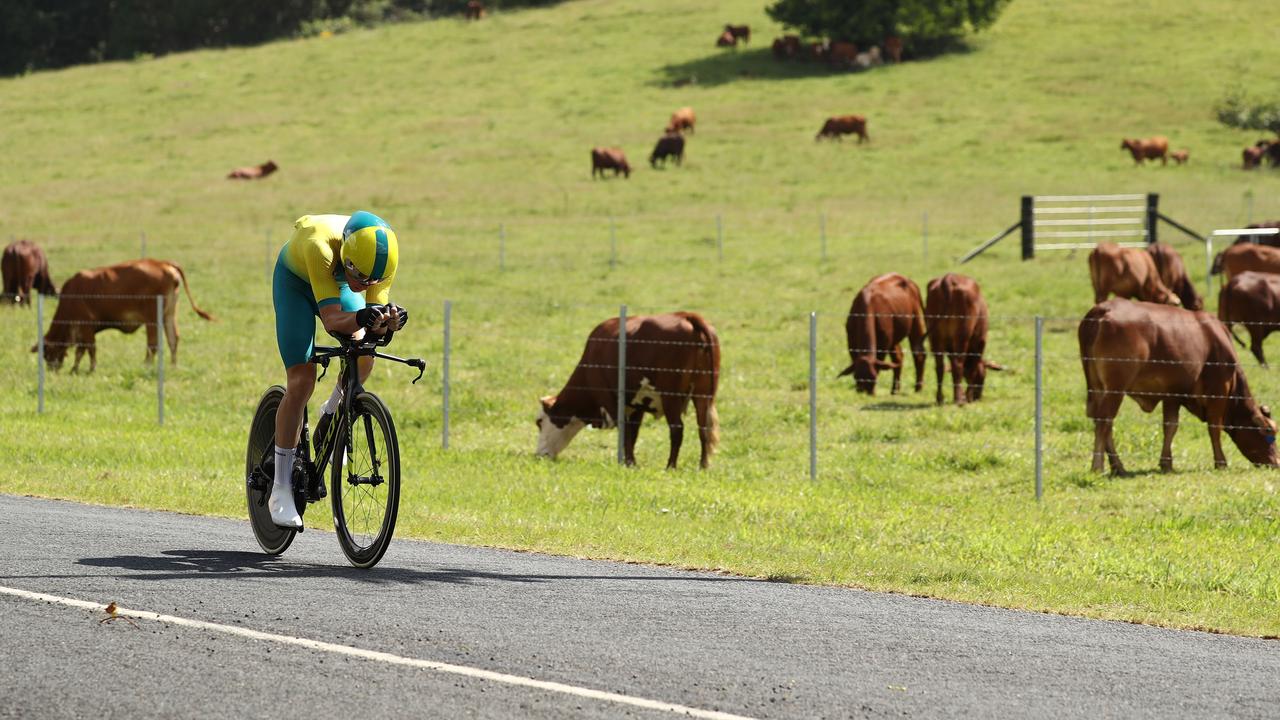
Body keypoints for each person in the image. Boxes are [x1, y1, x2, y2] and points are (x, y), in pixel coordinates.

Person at [269, 211, 408, 528]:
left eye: (372, 281)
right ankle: (281, 487)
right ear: (346, 256)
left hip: (335, 282)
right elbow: (332, 319)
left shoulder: (380, 262)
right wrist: (363, 317)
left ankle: (331, 413)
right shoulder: (321, 247)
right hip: (298, 283)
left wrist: (386, 323)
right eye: (360, 277)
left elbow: (371, 310)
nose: (365, 286)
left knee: (364, 355)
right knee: (302, 380)